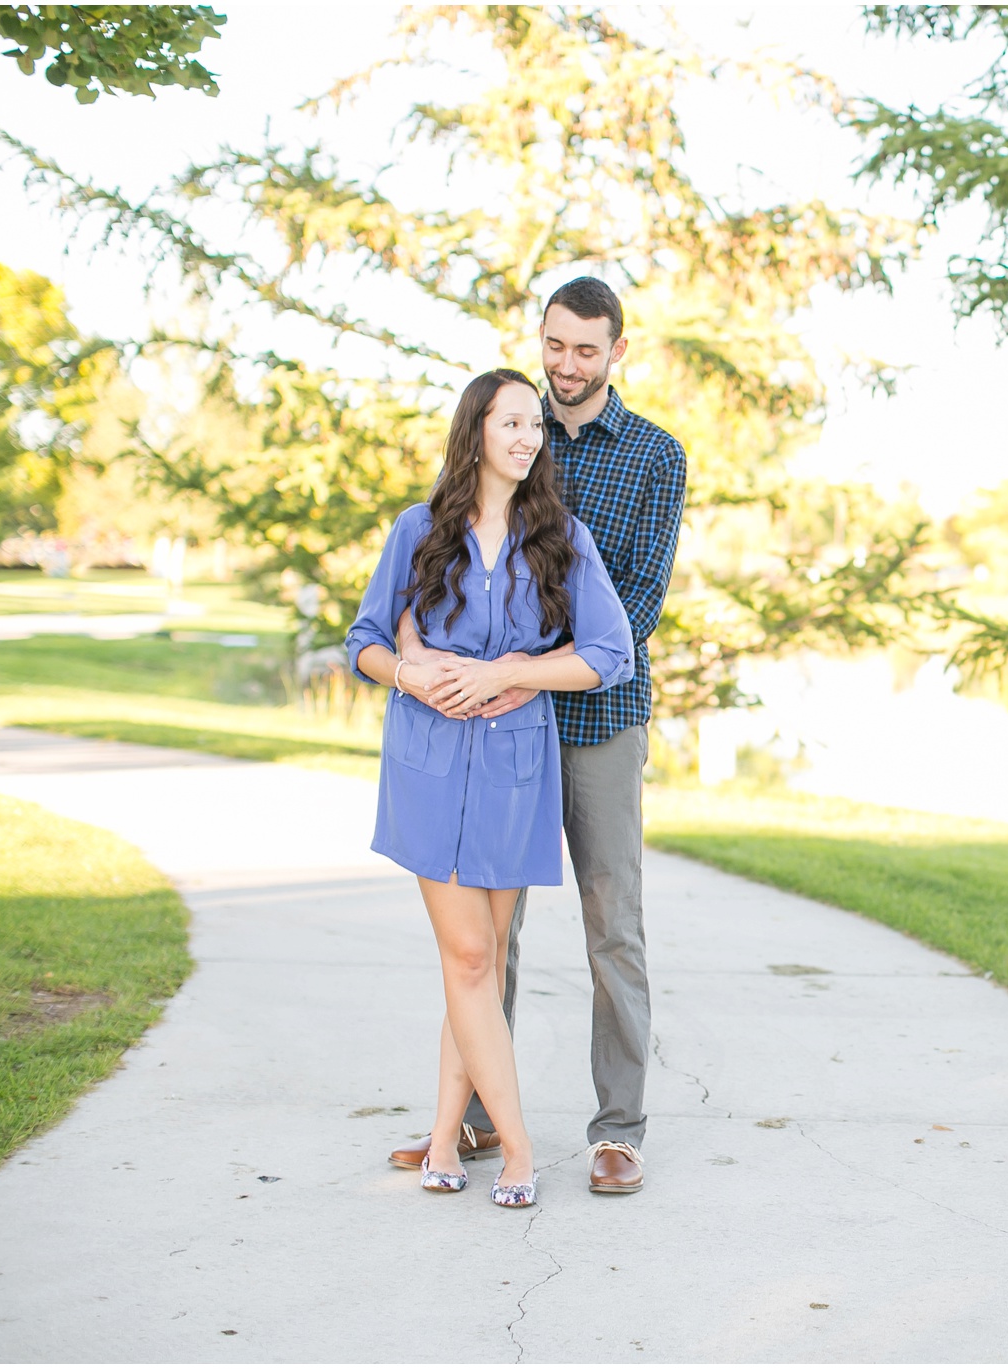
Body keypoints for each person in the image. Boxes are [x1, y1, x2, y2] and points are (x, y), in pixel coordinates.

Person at [384, 277, 687, 1197]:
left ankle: (618, 1130)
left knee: (611, 925)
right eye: (554, 345)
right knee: (485, 936)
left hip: (591, 720)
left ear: (616, 353)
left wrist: (509, 665)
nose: (565, 364)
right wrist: (440, 657)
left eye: (585, 350)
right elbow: (448, 565)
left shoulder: (652, 456)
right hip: (494, 731)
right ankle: (476, 1119)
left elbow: (631, 608)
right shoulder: (521, 427)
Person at [347, 367, 636, 1208]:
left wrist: (522, 668)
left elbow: (609, 652)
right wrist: (406, 673)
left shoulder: (560, 541)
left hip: (515, 770)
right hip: (428, 765)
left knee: (476, 962)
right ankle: (516, 1147)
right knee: (470, 956)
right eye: (509, 423)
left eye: (534, 427)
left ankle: (444, 1137)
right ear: (475, 430)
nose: (525, 437)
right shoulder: (418, 530)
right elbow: (363, 640)